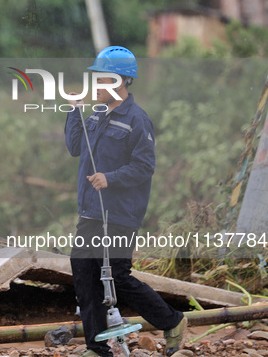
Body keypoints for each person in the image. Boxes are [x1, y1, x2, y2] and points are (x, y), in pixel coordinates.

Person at [64, 46, 187, 357]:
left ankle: (172, 321)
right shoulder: (97, 115)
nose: (94, 86)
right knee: (84, 269)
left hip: (119, 213)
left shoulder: (137, 120)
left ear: (118, 82)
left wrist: (111, 177)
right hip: (91, 211)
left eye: (100, 80)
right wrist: (73, 111)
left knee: (117, 275)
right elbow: (75, 147)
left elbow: (145, 166)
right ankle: (97, 347)